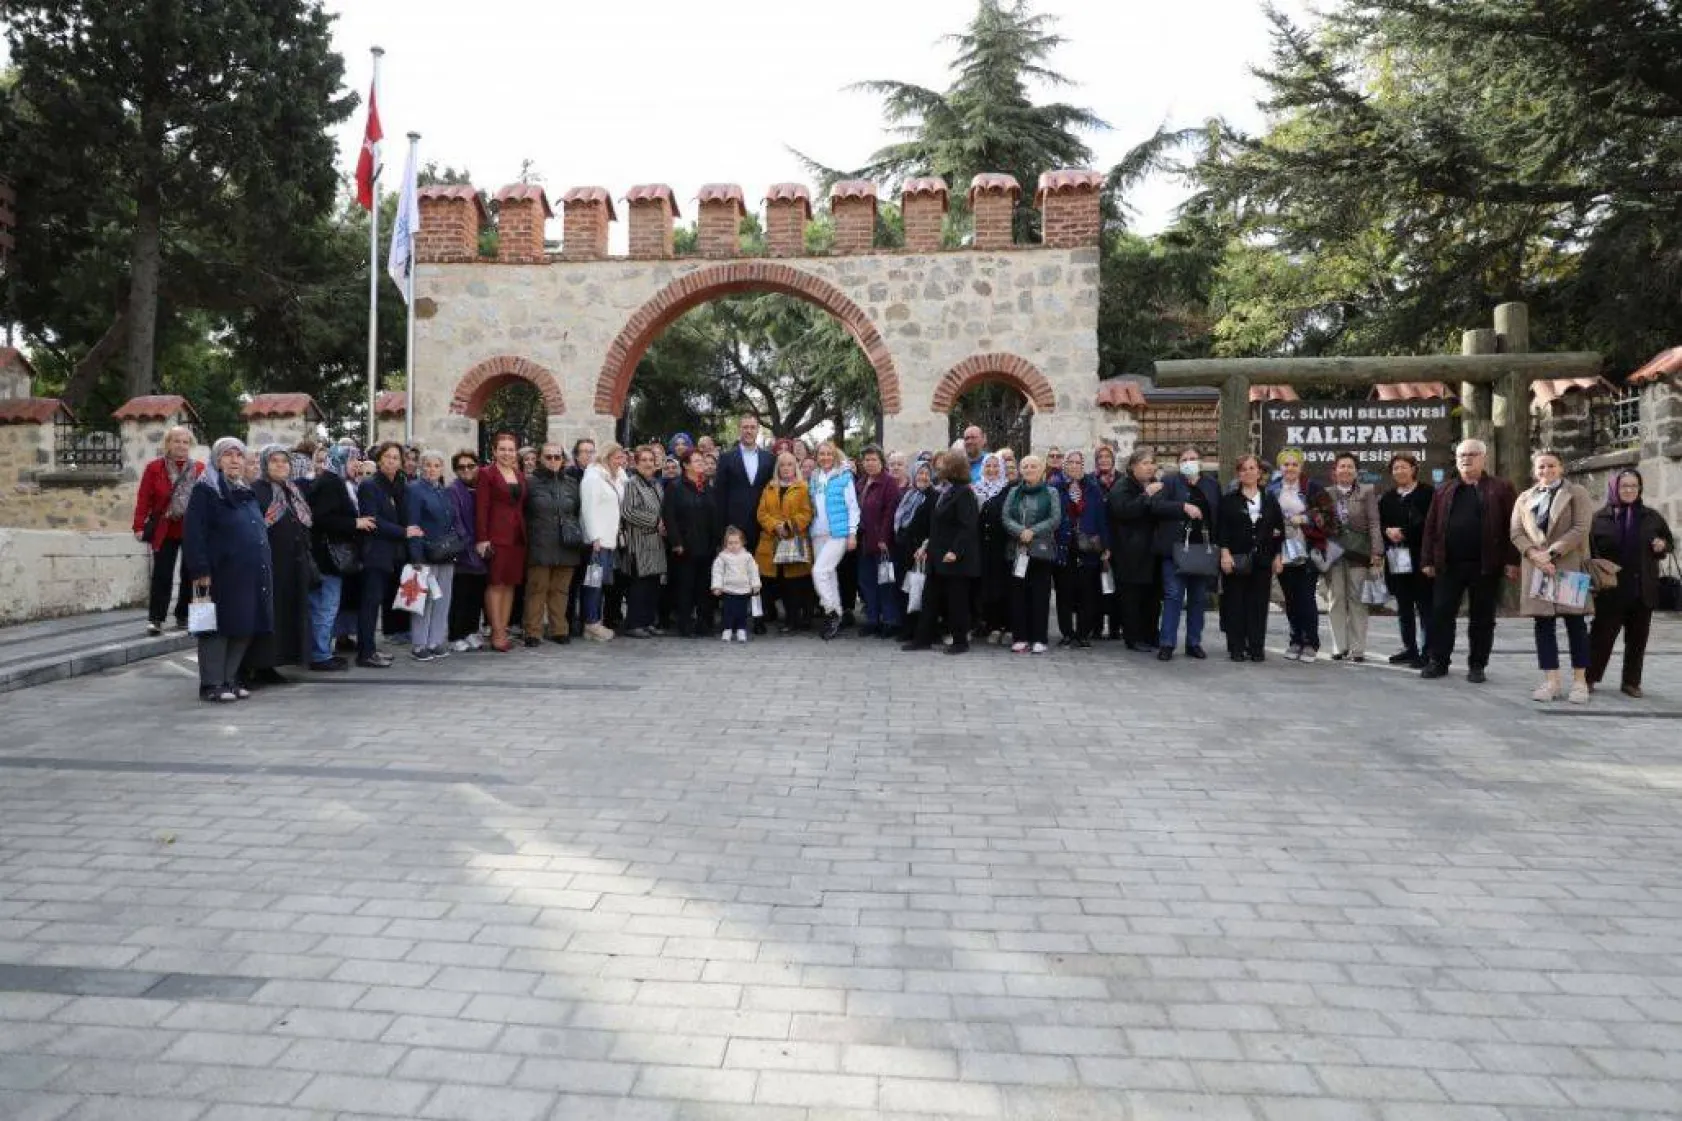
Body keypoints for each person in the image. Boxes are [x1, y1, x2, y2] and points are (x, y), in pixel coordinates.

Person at [1420, 438, 1519, 683]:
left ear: (1484, 458)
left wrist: (1512, 560)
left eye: (1472, 454)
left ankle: (1477, 665)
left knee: (1482, 618)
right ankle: (1438, 661)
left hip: (1486, 565)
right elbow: (1431, 527)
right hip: (1449, 565)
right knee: (1442, 614)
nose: (1466, 459)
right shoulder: (1444, 490)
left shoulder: (1501, 488)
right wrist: (1427, 560)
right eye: (1462, 455)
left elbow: (1514, 527)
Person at [183, 438, 273, 702]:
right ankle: (211, 684)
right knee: (217, 628)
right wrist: (200, 568)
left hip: (249, 572)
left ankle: (230, 679)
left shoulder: (245, 490)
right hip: (219, 571)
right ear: (216, 460)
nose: (234, 460)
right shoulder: (206, 490)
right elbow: (194, 533)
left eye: (238, 455)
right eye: (227, 455)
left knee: (243, 625)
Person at [1511, 451, 1594, 703]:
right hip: (1537, 568)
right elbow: (1516, 532)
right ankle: (1552, 681)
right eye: (1541, 467)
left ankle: (1580, 682)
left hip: (1567, 565)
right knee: (1543, 625)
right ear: (1534, 471)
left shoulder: (1576, 493)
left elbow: (1581, 527)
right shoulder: (1524, 498)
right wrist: (1535, 555)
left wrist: (1552, 553)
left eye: (1551, 466)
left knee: (1575, 624)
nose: (1546, 471)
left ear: (1561, 468)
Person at [1588, 470, 1674, 697]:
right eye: (1624, 486)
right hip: (1611, 589)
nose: (1629, 490)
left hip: (1642, 589)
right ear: (1615, 488)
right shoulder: (1599, 518)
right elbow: (1589, 552)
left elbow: (1668, 542)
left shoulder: (1651, 517)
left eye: (1634, 486)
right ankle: (1589, 677)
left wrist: (1661, 545)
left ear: (1640, 488)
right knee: (1602, 636)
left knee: (1637, 640)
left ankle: (1631, 682)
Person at [244, 444, 314, 684]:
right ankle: (256, 665)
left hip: (292, 564)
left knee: (285, 614)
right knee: (267, 613)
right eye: (274, 461)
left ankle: (272, 663)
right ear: (265, 464)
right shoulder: (257, 490)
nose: (280, 465)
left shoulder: (292, 490)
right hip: (269, 564)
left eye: (284, 461)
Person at [903, 453, 981, 654]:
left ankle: (960, 642)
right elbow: (936, 526)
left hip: (955, 559)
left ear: (953, 468)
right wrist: (925, 547)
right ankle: (922, 639)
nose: (937, 468)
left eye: (943, 465)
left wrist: (955, 551)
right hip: (936, 556)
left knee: (957, 601)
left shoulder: (964, 493)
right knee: (930, 598)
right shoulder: (945, 491)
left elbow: (968, 527)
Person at [305, 445, 372, 671]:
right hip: (327, 557)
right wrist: (355, 523)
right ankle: (320, 655)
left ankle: (321, 651)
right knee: (325, 606)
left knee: (324, 605)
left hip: (325, 555)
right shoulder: (331, 483)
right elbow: (323, 518)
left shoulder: (332, 481)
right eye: (352, 460)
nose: (357, 465)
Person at [132, 424, 203, 635]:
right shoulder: (154, 468)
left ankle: (184, 615)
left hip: (192, 529)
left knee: (190, 574)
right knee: (162, 574)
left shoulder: (199, 469)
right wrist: (138, 525)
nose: (181, 445)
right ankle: (156, 619)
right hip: (164, 528)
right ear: (168, 444)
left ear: (190, 445)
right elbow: (144, 498)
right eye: (176, 441)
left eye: (185, 442)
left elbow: (206, 501)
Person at [354, 442, 419, 668]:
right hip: (375, 553)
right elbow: (372, 521)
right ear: (380, 460)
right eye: (387, 457)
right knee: (370, 604)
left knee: (380, 603)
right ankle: (365, 653)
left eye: (396, 457)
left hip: (394, 554)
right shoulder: (370, 486)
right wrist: (404, 532)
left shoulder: (399, 485)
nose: (392, 461)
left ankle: (372, 648)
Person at [1216, 454, 1286, 663]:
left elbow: (1279, 529)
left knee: (1258, 604)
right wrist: (1225, 554)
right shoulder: (1229, 500)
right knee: (1235, 602)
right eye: (1244, 469)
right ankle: (1237, 646)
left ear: (1259, 472)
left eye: (1252, 468)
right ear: (1239, 473)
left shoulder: (1270, 499)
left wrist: (1278, 556)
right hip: (1236, 558)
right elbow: (1222, 530)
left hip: (1262, 559)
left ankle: (1256, 646)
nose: (1248, 472)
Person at [1153, 446, 1220, 660]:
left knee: (1198, 598)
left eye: (1193, 458)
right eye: (1185, 459)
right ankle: (1167, 643)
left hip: (1201, 550)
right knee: (1173, 596)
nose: (1189, 462)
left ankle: (1193, 642)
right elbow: (1157, 506)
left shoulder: (1210, 484)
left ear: (1200, 462)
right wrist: (1182, 506)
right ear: (1179, 463)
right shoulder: (1170, 481)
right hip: (1175, 548)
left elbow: (1217, 514)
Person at [1322, 452, 1385, 662]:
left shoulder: (1367, 491)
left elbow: (1375, 524)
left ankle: (1358, 649)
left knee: (1357, 600)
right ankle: (1339, 646)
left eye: (1350, 466)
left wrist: (1376, 552)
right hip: (1335, 555)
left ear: (1356, 471)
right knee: (1335, 599)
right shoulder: (1326, 494)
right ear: (1335, 471)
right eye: (1342, 466)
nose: (1346, 470)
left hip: (1359, 553)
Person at [1107, 448, 1169, 653]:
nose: (1150, 467)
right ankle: (1133, 637)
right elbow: (1123, 511)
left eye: (1152, 463)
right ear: (1133, 466)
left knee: (1152, 597)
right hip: (1130, 552)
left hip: (1152, 550)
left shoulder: (1155, 485)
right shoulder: (1122, 486)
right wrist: (1146, 495)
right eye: (1145, 463)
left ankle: (1151, 634)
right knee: (1132, 597)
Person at [406, 450, 465, 661]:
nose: (432, 469)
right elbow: (412, 523)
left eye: (436, 465)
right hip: (426, 553)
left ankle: (436, 640)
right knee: (425, 599)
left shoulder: (444, 491)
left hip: (445, 553)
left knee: (442, 598)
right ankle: (419, 643)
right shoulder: (414, 490)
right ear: (422, 468)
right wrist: (416, 557)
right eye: (428, 465)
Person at [522, 444, 582, 646]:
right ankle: (533, 631)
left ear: (563, 460)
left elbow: (578, 511)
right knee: (537, 589)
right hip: (540, 543)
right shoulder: (530, 483)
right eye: (549, 457)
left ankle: (559, 629)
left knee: (560, 590)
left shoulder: (572, 484)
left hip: (566, 543)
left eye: (557, 457)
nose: (553, 461)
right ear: (540, 459)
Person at [1378, 453, 1434, 667]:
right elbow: (1380, 523)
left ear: (1413, 469)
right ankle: (1409, 648)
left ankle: (1427, 651)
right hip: (1396, 558)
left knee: (1425, 606)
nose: (1399, 471)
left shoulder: (1428, 493)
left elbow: (1431, 524)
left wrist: (1405, 532)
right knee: (1403, 606)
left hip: (1421, 557)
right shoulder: (1388, 497)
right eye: (1395, 468)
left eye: (1403, 467)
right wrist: (1387, 531)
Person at [1269, 449, 1325, 662]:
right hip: (1283, 552)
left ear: (1301, 467)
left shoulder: (1314, 488)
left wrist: (1306, 519)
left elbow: (1329, 518)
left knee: (1306, 597)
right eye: (1286, 464)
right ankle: (1295, 640)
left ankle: (1311, 642)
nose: (1290, 468)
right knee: (1290, 599)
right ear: (1280, 467)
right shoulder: (1272, 489)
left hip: (1308, 551)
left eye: (1294, 464)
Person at [1002, 454, 1061, 654]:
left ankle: (1039, 638)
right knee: (1018, 595)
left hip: (1041, 550)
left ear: (1042, 469)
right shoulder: (1013, 492)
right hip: (1018, 550)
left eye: (1033, 466)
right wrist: (1020, 531)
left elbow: (1055, 518)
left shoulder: (1051, 492)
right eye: (1025, 466)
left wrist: (1032, 531)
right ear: (1020, 470)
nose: (1029, 469)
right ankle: (1020, 637)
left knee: (1040, 595)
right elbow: (1006, 517)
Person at [474, 432, 527, 652]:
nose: (507, 453)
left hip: (518, 537)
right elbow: (482, 507)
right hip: (496, 536)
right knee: (496, 583)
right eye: (502, 449)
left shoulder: (518, 474)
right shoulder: (487, 474)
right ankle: (496, 632)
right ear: (494, 451)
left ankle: (503, 629)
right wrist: (482, 538)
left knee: (510, 583)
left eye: (511, 449)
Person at [1052, 450, 1110, 649]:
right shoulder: (1056, 488)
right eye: (1071, 462)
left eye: (1079, 462)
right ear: (1065, 465)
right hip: (1064, 545)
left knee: (1087, 592)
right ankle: (1067, 633)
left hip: (1089, 545)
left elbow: (1102, 519)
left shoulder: (1093, 488)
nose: (1075, 465)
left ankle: (1083, 633)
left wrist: (1105, 545)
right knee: (1064, 592)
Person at [756, 451, 815, 634]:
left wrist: (788, 526)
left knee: (794, 584)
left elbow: (807, 513)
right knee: (772, 581)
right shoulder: (770, 487)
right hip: (771, 541)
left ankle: (794, 619)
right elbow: (761, 513)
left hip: (793, 541)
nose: (786, 468)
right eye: (782, 465)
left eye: (790, 464)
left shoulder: (803, 487)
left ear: (795, 467)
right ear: (778, 468)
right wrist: (775, 526)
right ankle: (769, 615)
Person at [663, 450, 719, 637]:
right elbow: (669, 517)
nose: (701, 463)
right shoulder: (675, 487)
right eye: (696, 461)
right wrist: (676, 542)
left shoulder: (707, 487)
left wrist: (716, 541)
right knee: (685, 586)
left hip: (706, 545)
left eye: (702, 460)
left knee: (704, 587)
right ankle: (685, 624)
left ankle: (704, 624)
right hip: (685, 546)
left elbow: (714, 516)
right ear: (686, 465)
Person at [807, 441, 859, 641]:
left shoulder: (844, 476)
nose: (825, 457)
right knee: (828, 574)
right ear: (817, 456)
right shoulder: (814, 477)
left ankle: (831, 611)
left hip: (838, 533)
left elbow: (853, 507)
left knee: (819, 571)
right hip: (817, 533)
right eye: (822, 454)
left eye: (829, 454)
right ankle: (836, 612)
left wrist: (852, 533)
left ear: (835, 455)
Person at [853, 445, 904, 639]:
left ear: (881, 462)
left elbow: (890, 513)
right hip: (864, 542)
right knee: (867, 583)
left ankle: (890, 621)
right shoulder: (861, 482)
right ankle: (873, 620)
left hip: (883, 543)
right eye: (866, 460)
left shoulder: (889, 483)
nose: (870, 463)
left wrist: (884, 538)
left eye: (874, 459)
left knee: (886, 582)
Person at [714, 413, 772, 578]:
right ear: (739, 429)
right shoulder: (726, 458)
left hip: (762, 523)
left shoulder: (769, 459)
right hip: (734, 525)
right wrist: (722, 528)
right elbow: (720, 494)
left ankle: (759, 603)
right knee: (736, 571)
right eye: (745, 427)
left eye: (752, 427)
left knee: (760, 570)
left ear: (758, 430)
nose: (748, 431)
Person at [579, 442, 625, 641]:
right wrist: (594, 536)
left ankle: (593, 622)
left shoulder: (615, 477)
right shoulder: (593, 477)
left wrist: (619, 473)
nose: (620, 462)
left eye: (622, 458)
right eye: (616, 458)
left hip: (609, 541)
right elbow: (587, 509)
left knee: (601, 583)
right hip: (596, 542)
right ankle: (591, 623)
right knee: (593, 583)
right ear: (606, 457)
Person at [619, 446, 667, 638]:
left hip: (657, 543)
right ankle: (634, 624)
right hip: (639, 543)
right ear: (636, 463)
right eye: (644, 460)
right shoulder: (632, 484)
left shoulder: (656, 484)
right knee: (640, 585)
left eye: (651, 460)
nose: (648, 463)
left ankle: (648, 622)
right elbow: (628, 511)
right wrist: (656, 522)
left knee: (653, 584)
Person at [447, 451, 488, 651]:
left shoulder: (480, 487)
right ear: (455, 470)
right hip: (464, 551)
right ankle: (456, 634)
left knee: (476, 595)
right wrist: (469, 545)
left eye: (470, 466)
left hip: (481, 551)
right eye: (461, 467)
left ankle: (471, 631)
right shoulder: (454, 490)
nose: (466, 470)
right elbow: (456, 520)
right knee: (461, 596)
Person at [891, 457, 935, 640]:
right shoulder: (909, 495)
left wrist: (925, 547)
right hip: (903, 548)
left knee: (919, 590)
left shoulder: (934, 496)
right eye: (919, 473)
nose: (923, 477)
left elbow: (935, 527)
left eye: (926, 473)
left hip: (921, 551)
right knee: (905, 588)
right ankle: (906, 628)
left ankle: (920, 630)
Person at [972, 452, 1011, 642]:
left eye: (996, 466)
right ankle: (984, 623)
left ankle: (999, 624)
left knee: (1000, 585)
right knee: (982, 584)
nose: (992, 470)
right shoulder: (975, 489)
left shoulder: (1007, 490)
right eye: (988, 466)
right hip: (980, 544)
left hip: (1000, 545)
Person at [712, 526, 762, 642]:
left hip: (743, 589)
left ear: (742, 542)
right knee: (728, 611)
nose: (733, 546)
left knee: (742, 612)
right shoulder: (722, 557)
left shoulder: (747, 557)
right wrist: (717, 586)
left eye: (736, 543)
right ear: (725, 544)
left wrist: (756, 584)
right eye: (730, 543)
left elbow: (753, 571)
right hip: (728, 589)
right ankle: (727, 629)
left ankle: (741, 630)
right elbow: (717, 572)